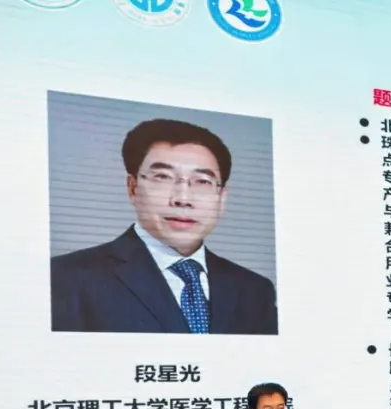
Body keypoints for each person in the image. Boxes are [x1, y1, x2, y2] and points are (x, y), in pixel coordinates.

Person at [50, 118, 278, 335]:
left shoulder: (256, 290)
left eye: (202, 181)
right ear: (133, 187)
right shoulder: (67, 278)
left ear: (222, 197)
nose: (183, 199)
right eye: (163, 177)